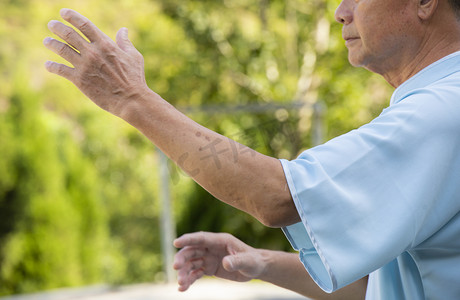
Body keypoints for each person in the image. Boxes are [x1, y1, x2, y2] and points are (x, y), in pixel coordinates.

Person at [43, 0, 460, 298]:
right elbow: (383, 286)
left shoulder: (442, 110)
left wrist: (131, 99)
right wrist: (261, 264)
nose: (340, 11)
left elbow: (276, 195)